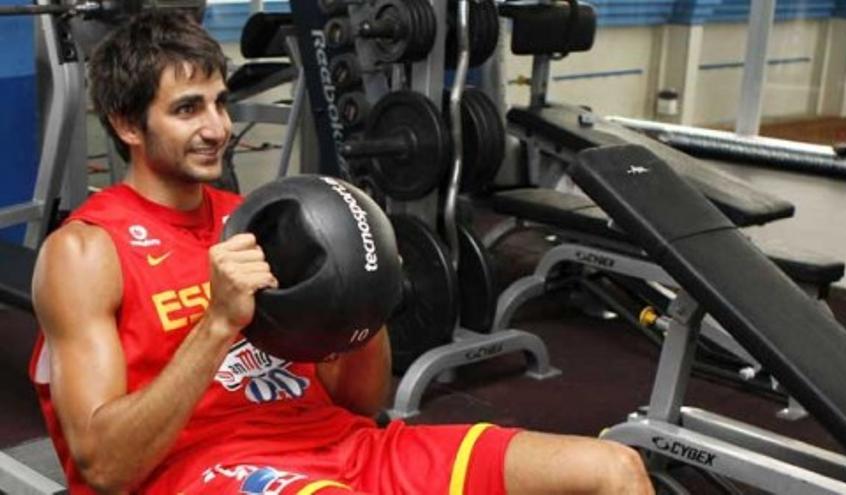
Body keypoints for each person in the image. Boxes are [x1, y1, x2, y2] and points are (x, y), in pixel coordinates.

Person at [29, 10, 654, 495]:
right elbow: (105, 468)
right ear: (128, 125)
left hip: (345, 445)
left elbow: (360, 404)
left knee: (611, 469)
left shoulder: (267, 221)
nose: (218, 128)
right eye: (187, 110)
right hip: (203, 469)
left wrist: (368, 298)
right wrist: (217, 325)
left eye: (219, 102)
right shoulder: (87, 252)